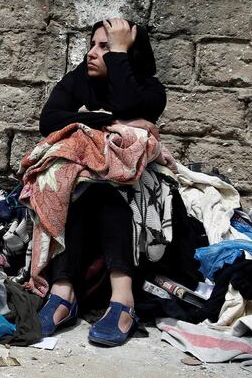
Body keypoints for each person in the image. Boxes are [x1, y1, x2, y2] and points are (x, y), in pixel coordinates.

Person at [36, 18, 165, 346]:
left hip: (128, 184)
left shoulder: (149, 89)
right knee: (75, 185)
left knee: (106, 191)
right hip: (81, 180)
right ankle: (62, 293)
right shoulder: (78, 79)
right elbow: (49, 121)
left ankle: (123, 301)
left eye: (105, 47)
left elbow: (129, 106)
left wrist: (119, 55)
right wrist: (105, 120)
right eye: (92, 45)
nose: (92, 53)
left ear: (126, 54)